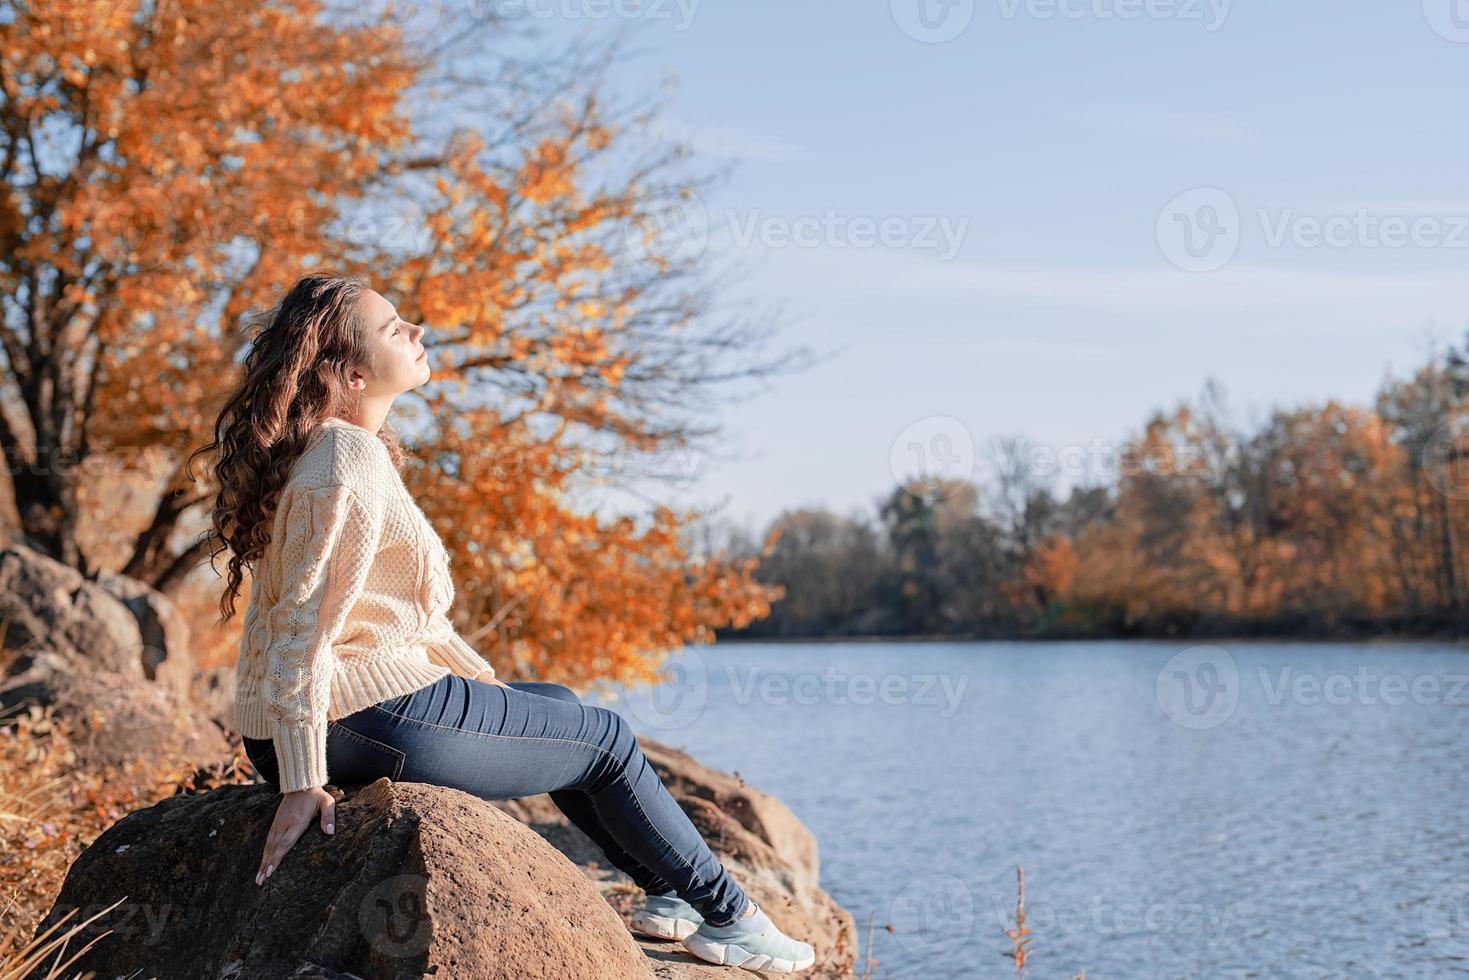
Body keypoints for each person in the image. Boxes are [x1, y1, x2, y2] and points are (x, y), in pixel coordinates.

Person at [193, 273, 815, 974]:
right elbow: (298, 626)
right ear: (352, 371)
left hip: (342, 714)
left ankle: (666, 894)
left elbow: (390, 613)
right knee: (606, 738)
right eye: (394, 326)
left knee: (556, 705)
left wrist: (477, 677)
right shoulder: (345, 458)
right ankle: (732, 918)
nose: (418, 331)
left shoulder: (342, 451)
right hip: (350, 720)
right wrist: (303, 777)